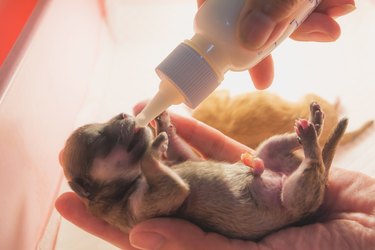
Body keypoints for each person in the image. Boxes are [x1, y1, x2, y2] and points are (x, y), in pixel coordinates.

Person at [55, 0, 375, 249]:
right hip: (276, 206)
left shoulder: (141, 181)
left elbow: (187, 165)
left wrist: (167, 133)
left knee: (267, 151)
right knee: (289, 181)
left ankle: (310, 143)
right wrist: (153, 160)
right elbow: (175, 187)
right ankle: (311, 148)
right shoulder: (133, 210)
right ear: (87, 187)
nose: (121, 119)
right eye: (102, 139)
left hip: (258, 180)